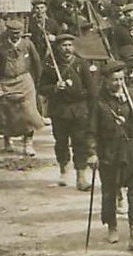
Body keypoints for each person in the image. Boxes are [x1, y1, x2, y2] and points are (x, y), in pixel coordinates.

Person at [90, 60, 133, 244]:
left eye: (121, 79)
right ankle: (112, 226)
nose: (119, 83)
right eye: (114, 80)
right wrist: (92, 153)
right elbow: (91, 130)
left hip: (131, 152)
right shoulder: (98, 101)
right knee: (109, 192)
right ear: (105, 80)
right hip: (109, 153)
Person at [39, 35, 101, 189]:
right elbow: (41, 88)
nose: (67, 49)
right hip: (59, 111)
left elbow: (92, 91)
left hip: (79, 111)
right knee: (61, 142)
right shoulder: (51, 66)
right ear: (58, 48)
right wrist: (54, 88)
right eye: (63, 45)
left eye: (69, 45)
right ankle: (63, 171)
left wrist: (84, 100)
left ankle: (81, 178)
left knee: (80, 143)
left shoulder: (81, 65)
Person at [0, 19, 45, 157]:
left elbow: (37, 64)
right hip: (6, 82)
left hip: (25, 81)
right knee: (6, 113)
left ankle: (28, 143)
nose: (15, 35)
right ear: (7, 32)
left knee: (29, 112)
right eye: (12, 33)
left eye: (18, 33)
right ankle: (7, 140)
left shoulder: (28, 44)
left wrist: (40, 83)